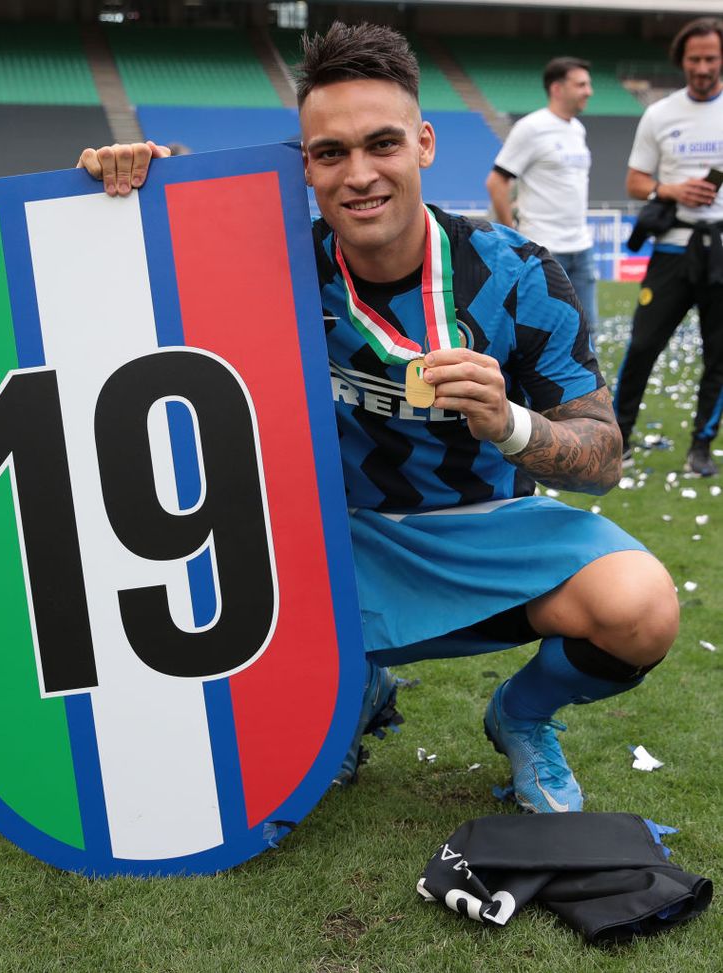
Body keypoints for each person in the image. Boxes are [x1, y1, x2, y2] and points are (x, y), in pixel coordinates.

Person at [77, 22, 679, 814]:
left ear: (424, 144)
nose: (358, 174)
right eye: (330, 153)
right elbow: (119, 291)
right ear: (306, 164)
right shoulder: (274, 263)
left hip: (487, 532)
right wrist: (128, 186)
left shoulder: (519, 272)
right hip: (330, 538)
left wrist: (510, 425)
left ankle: (522, 716)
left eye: (382, 144)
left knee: (642, 606)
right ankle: (350, 687)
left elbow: (602, 459)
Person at [614, 17, 723, 477]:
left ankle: (701, 446)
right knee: (642, 345)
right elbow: (635, 183)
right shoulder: (659, 114)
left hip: (719, 250)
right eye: (694, 59)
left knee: (718, 356)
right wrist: (674, 190)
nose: (702, 67)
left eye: (711, 58)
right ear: (681, 61)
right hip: (673, 249)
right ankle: (618, 437)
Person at [486, 57, 597, 329]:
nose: (589, 91)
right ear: (558, 89)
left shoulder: (577, 129)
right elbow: (496, 182)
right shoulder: (532, 127)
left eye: (589, 84)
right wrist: (513, 235)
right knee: (544, 331)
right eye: (581, 85)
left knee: (587, 329)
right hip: (545, 248)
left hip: (581, 247)